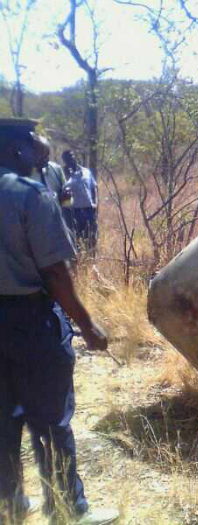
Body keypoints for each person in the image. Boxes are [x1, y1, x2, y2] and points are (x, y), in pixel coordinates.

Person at [0, 119, 118, 524]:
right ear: (16, 151)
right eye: (34, 147)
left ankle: (10, 501)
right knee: (51, 418)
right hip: (31, 320)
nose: (40, 155)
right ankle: (68, 509)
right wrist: (86, 324)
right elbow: (55, 273)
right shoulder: (31, 195)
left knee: (3, 417)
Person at [62, 150, 98, 256]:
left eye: (71, 156)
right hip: (73, 212)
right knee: (76, 239)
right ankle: (80, 263)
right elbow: (64, 196)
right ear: (64, 161)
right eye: (67, 159)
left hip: (89, 210)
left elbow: (94, 188)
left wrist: (96, 203)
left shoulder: (86, 171)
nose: (70, 160)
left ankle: (92, 261)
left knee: (91, 237)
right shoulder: (63, 174)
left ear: (74, 157)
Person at [33, 136, 72, 209]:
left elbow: (67, 203)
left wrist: (67, 199)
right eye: (42, 154)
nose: (47, 158)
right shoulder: (24, 173)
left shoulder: (56, 170)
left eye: (47, 154)